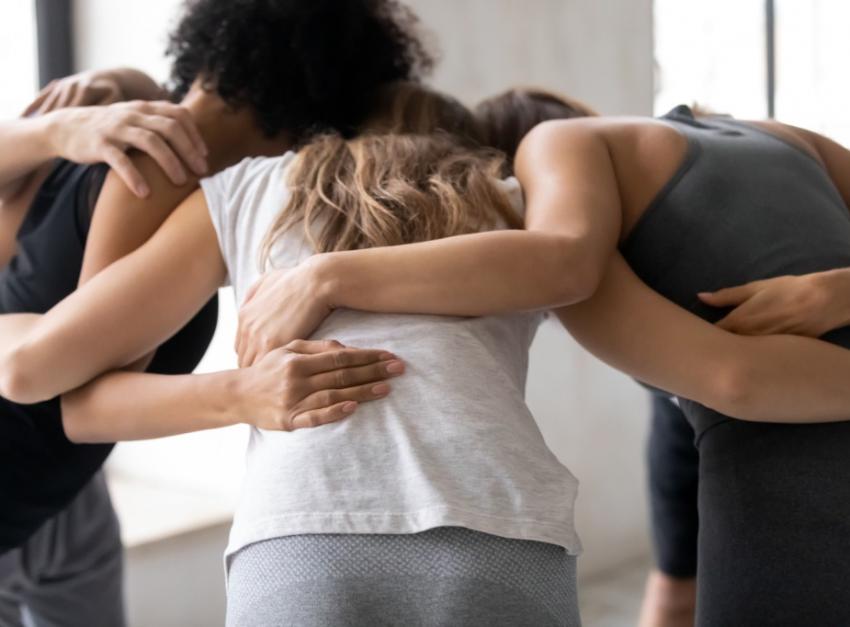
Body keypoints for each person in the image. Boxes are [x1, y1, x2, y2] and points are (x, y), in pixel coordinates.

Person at [229, 90, 850, 626]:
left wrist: (325, 276)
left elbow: (733, 379)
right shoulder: (788, 137)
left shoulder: (557, 149)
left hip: (795, 473)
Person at [0, 83, 585, 626]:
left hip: (303, 526)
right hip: (502, 521)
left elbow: (66, 391)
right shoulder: (513, 203)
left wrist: (242, 393)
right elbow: (571, 270)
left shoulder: (251, 187)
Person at [0, 0, 430, 623]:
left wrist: (62, 125)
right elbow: (69, 396)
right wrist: (244, 395)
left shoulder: (125, 113)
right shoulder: (163, 169)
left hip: (43, 502)